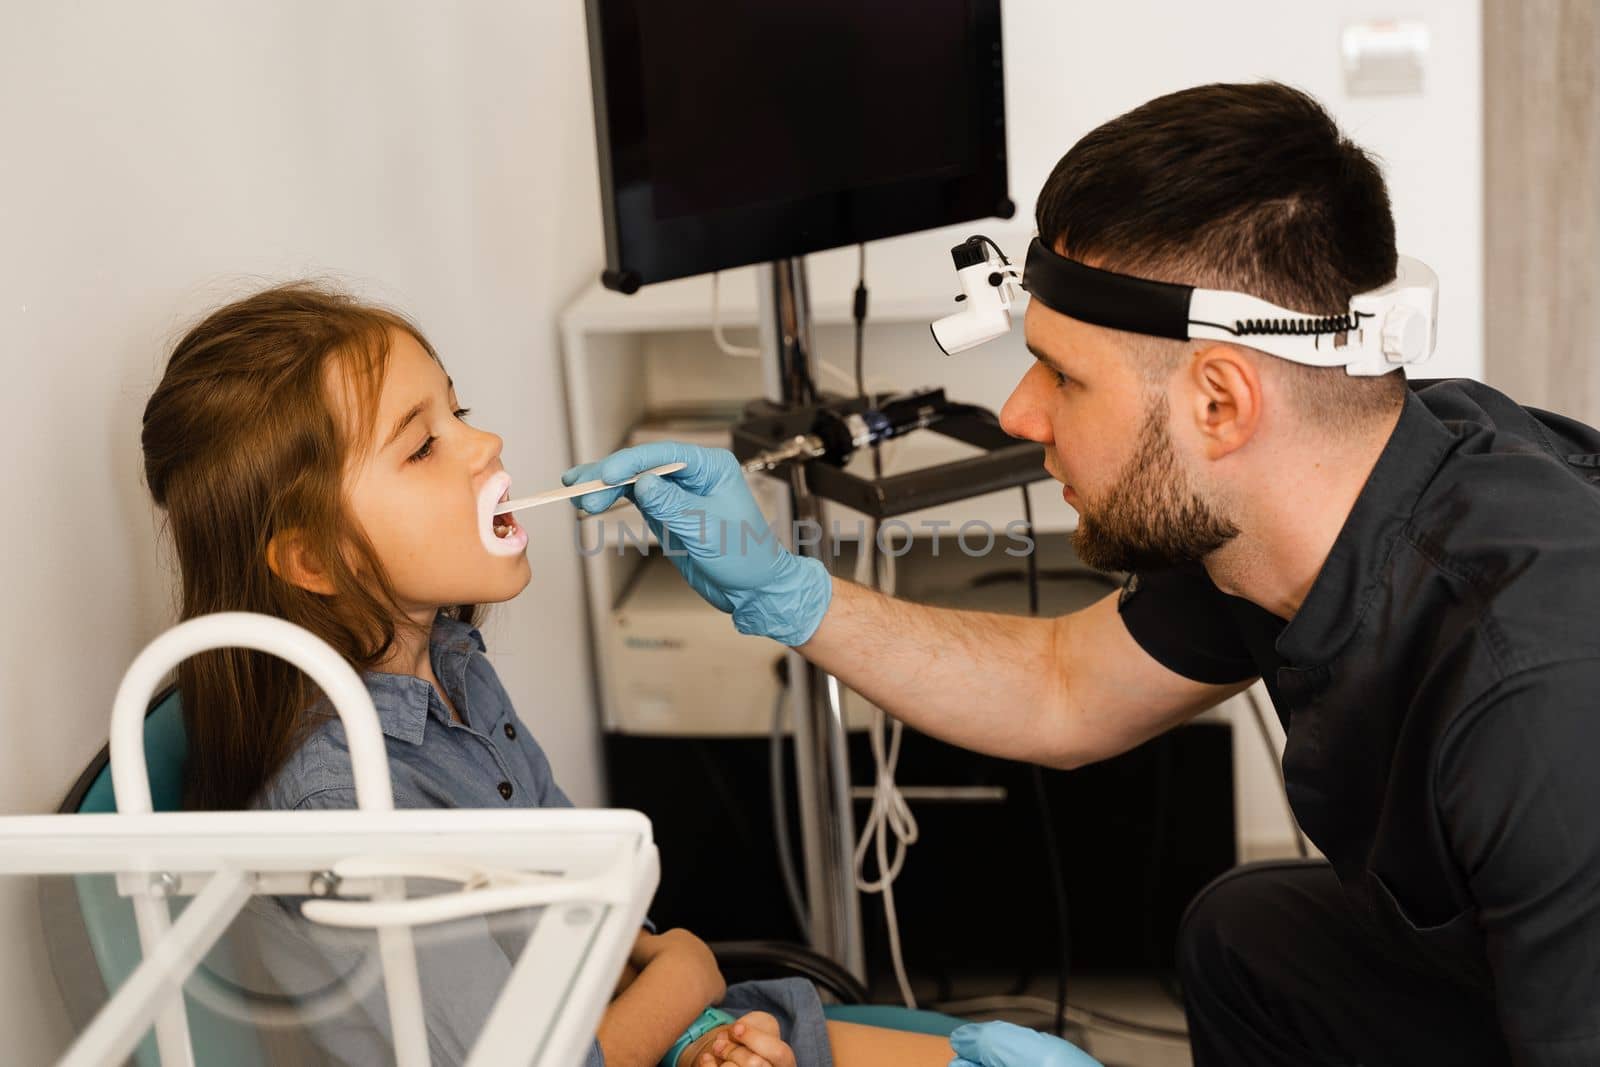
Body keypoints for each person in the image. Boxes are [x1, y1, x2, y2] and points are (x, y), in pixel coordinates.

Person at [565, 82, 1600, 1067]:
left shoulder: (1537, 693)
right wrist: (781, 588)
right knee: (1248, 937)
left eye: (1063, 373)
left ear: (1220, 403)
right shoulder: (1314, 485)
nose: (1018, 411)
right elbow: (1063, 686)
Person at [138, 282, 968, 1067]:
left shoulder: (453, 667)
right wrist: (687, 977)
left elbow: (590, 909)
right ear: (315, 556)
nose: (484, 443)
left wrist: (696, 1031)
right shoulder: (345, 807)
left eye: (457, 411)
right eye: (424, 444)